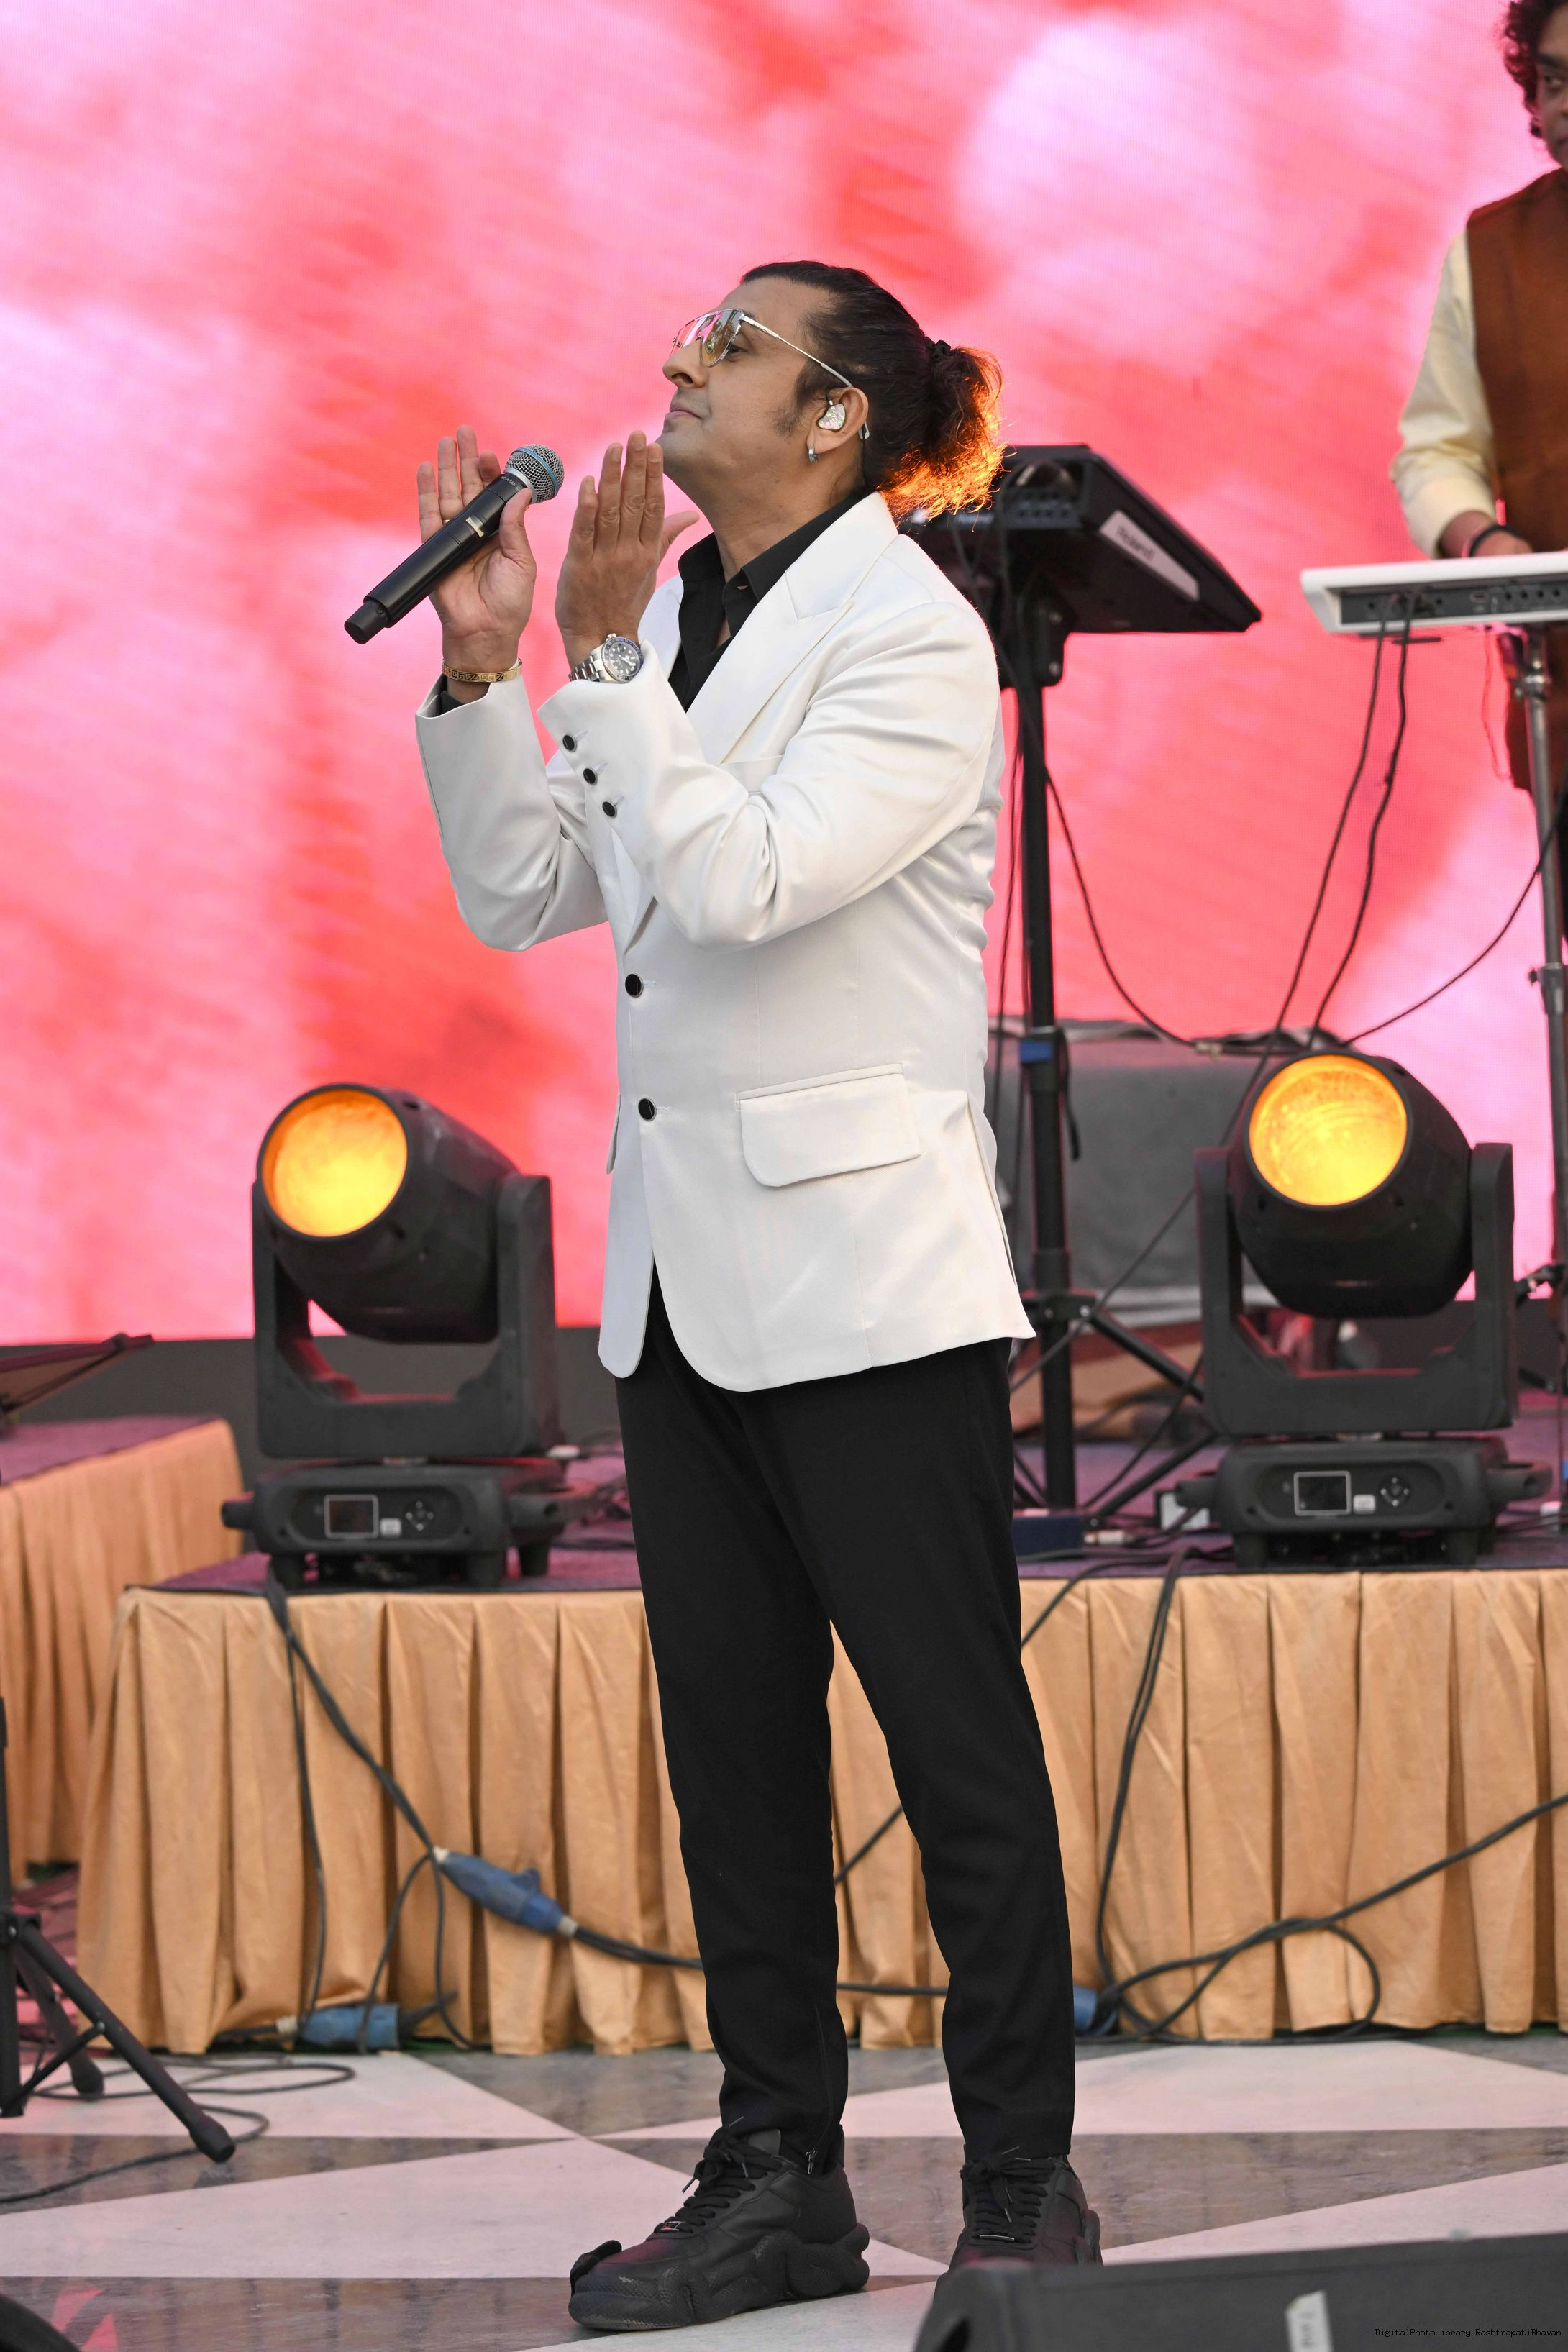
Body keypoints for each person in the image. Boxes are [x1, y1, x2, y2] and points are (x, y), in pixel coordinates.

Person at [412, 263, 1099, 2330]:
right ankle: (776, 2171)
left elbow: (741, 880)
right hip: (677, 1280)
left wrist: (611, 653)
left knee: (954, 1751)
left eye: (730, 342)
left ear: (832, 418)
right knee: (735, 1759)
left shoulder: (908, 633)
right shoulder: (679, 615)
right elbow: (527, 887)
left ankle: (1021, 2187)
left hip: (864, 1281)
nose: (676, 360)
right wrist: (485, 668)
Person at [1392, 0, 1568, 799]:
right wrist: (1483, 539)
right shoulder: (1492, 250)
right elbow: (1437, 452)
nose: (1563, 104)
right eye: (1552, 81)